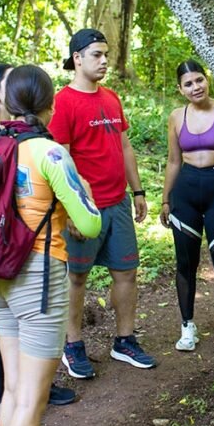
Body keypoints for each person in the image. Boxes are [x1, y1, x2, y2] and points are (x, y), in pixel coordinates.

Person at [0, 65, 101, 426]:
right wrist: (82, 191)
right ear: (50, 105)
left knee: (14, 391)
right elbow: (88, 224)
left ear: (8, 102)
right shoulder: (48, 153)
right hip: (37, 278)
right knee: (33, 397)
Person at [0, 65, 78, 426]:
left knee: (19, 328)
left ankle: (30, 393)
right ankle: (0, 408)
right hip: (0, 242)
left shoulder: (25, 138)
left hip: (23, 243)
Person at [48, 29, 156, 379]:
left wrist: (137, 192)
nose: (104, 60)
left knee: (126, 272)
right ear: (77, 58)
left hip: (118, 202)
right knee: (76, 276)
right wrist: (75, 208)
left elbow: (124, 147)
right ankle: (73, 345)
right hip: (84, 207)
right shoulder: (63, 101)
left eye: (106, 54)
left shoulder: (111, 98)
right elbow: (60, 157)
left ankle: (124, 340)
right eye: (96, 54)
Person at [159, 60, 214, 358]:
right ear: (180, 89)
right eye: (188, 83)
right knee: (185, 264)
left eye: (199, 80)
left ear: (207, 80)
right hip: (185, 191)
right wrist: (165, 199)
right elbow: (173, 161)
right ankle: (187, 326)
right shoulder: (176, 117)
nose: (195, 87)